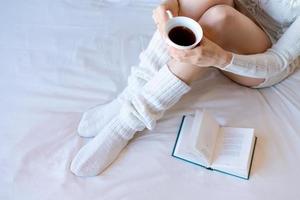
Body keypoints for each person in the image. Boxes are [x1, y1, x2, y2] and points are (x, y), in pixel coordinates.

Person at [70, 0, 300, 176]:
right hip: (234, 16)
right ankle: (129, 96)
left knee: (220, 18)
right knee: (209, 9)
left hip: (261, 60)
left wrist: (220, 58)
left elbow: (278, 61)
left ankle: (128, 122)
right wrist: (168, 9)